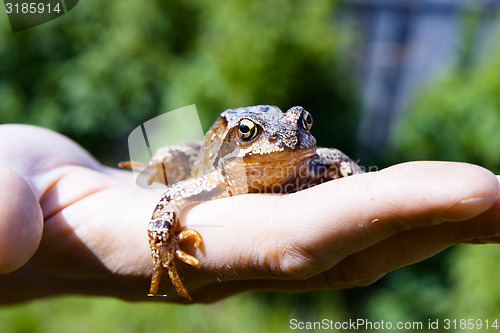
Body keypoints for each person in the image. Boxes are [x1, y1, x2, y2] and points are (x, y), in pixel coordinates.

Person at [0, 124, 499, 304]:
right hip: (209, 159)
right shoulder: (215, 176)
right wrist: (166, 250)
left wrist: (355, 180)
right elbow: (165, 202)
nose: (287, 140)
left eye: (300, 126)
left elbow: (342, 162)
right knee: (168, 158)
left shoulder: (307, 157)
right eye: (254, 136)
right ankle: (159, 160)